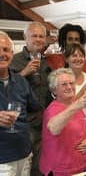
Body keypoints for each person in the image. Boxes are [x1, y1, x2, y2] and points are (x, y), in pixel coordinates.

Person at [10, 21, 51, 176]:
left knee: (39, 165)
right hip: (22, 123)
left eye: (42, 36)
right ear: (25, 37)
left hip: (44, 121)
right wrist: (23, 73)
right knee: (22, 165)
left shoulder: (47, 61)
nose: (39, 39)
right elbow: (5, 88)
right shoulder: (13, 60)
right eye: (34, 35)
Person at [0, 31, 42, 176]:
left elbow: (35, 107)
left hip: (24, 153)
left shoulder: (21, 81)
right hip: (2, 160)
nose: (2, 54)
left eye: (6, 50)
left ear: (12, 53)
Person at [39, 68, 86, 175]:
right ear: (54, 90)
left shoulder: (73, 103)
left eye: (71, 83)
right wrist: (77, 105)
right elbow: (53, 128)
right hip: (60, 170)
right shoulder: (53, 109)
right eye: (64, 84)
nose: (69, 87)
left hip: (81, 167)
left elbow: (84, 125)